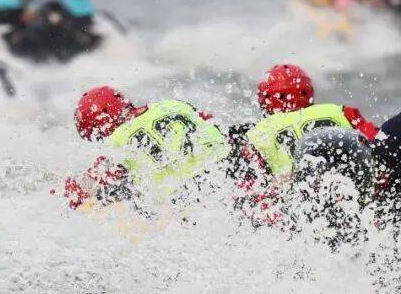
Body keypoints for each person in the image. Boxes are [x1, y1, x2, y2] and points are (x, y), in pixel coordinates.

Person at [63, 86, 229, 208]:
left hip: (190, 196)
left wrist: (70, 191)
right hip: (227, 166)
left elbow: (88, 185)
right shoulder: (172, 104)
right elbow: (214, 125)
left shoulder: (116, 142)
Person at [242, 64, 380, 180]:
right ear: (309, 90)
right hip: (351, 181)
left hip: (297, 193)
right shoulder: (342, 112)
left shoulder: (257, 134)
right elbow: (377, 139)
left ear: (266, 98)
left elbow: (249, 183)